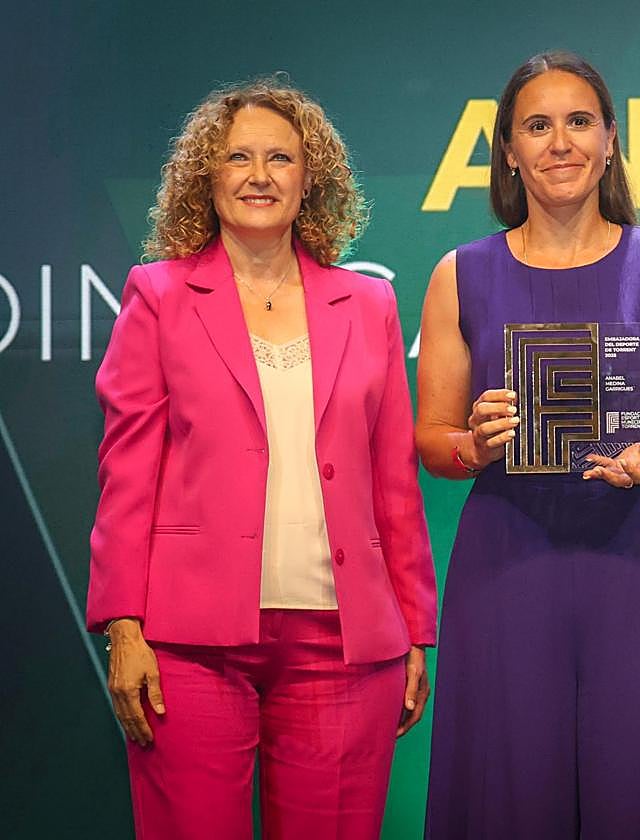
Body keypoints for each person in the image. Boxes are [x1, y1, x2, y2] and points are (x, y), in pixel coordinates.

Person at [86, 78, 437, 840]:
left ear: (310, 179)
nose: (258, 175)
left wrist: (413, 629)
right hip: (187, 642)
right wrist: (123, 623)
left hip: (344, 645)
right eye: (237, 157)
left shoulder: (368, 304)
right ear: (205, 176)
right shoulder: (158, 295)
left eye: (280, 158)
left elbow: (393, 484)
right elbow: (126, 475)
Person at [417, 51, 640, 838]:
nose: (559, 142)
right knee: (509, 785)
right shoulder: (459, 274)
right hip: (508, 560)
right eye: (537, 125)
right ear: (508, 150)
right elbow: (433, 439)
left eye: (578, 122)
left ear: (609, 140)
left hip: (635, 558)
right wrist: (478, 445)